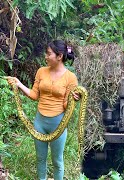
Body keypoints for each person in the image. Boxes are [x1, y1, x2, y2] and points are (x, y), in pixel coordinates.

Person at [6, 40, 79, 180]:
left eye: (49, 54)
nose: (45, 56)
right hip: (40, 122)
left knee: (57, 161)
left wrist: (72, 100)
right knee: (40, 159)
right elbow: (34, 95)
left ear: (59, 56)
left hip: (58, 124)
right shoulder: (41, 71)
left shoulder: (71, 78)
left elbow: (66, 106)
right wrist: (19, 83)